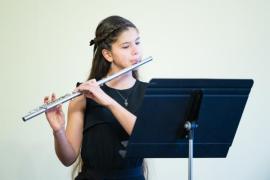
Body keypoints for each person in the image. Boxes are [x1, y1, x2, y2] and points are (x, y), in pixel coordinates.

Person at [44, 15, 148, 180]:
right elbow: (68, 159)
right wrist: (58, 131)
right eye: (126, 46)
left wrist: (108, 102)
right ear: (108, 54)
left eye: (137, 42)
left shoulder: (149, 93)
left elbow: (145, 138)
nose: (135, 50)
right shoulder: (84, 95)